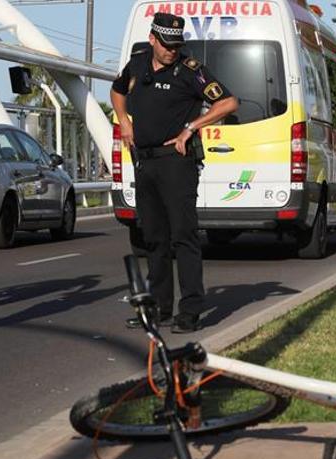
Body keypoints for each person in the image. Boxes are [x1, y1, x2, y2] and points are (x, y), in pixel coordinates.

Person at [111, 13, 238, 332]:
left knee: (183, 236)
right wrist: (124, 122)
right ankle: (159, 308)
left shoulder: (189, 71)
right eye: (166, 44)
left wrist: (190, 128)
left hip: (176, 162)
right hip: (145, 160)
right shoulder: (137, 64)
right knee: (153, 237)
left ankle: (190, 310)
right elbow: (117, 92)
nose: (171, 50)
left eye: (176, 45)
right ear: (153, 39)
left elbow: (228, 102)